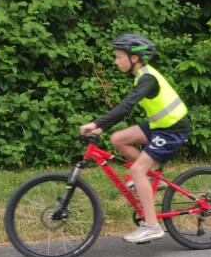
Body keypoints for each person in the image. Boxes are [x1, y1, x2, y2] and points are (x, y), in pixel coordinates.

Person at [79, 34, 190, 244]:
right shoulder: (141, 75)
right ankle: (151, 178)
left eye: (119, 57)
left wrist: (97, 125)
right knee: (118, 139)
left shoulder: (148, 78)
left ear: (135, 58)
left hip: (172, 130)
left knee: (136, 170)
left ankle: (152, 225)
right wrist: (101, 127)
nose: (116, 61)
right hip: (160, 126)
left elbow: (126, 107)